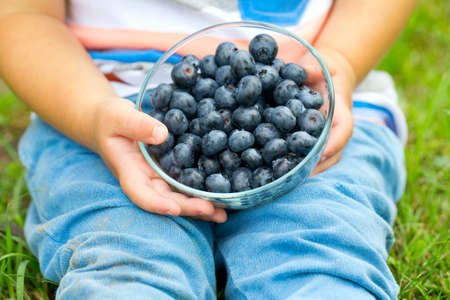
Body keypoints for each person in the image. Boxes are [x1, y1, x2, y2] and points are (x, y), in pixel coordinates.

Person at [0, 0, 415, 299]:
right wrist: (91, 115)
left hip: (312, 108)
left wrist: (341, 57)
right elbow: (22, 15)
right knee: (127, 258)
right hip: (103, 110)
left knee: (320, 248)